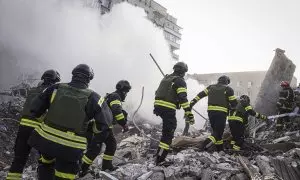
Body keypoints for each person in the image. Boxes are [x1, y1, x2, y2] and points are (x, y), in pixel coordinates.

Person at [27, 64, 113, 180]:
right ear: (89, 78)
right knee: (64, 175)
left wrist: (47, 121)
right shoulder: (95, 98)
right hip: (71, 147)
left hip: (46, 141)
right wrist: (91, 130)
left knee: (46, 164)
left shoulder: (55, 88)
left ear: (73, 75)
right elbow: (104, 125)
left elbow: (34, 110)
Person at [6, 70, 60, 180]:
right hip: (40, 130)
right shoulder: (53, 93)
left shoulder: (32, 90)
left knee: (19, 159)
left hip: (24, 128)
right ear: (55, 81)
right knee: (46, 161)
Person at [80, 80, 131, 175]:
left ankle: (106, 166)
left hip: (105, 126)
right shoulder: (116, 96)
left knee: (111, 145)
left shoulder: (112, 96)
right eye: (126, 92)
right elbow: (117, 111)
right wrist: (124, 124)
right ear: (124, 91)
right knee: (95, 149)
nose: (126, 94)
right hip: (101, 126)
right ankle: (81, 169)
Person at [154, 62, 194, 165]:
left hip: (158, 107)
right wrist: (189, 113)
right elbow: (183, 98)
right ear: (182, 71)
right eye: (184, 72)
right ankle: (160, 159)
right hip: (168, 108)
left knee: (165, 132)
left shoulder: (166, 78)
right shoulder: (179, 81)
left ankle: (158, 154)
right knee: (168, 134)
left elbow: (157, 92)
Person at [190, 75, 237, 151]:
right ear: (227, 82)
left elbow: (200, 95)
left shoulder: (210, 87)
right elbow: (234, 104)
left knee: (217, 132)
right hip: (221, 113)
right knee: (217, 133)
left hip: (211, 113)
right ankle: (203, 146)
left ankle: (220, 150)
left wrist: (192, 103)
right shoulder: (228, 89)